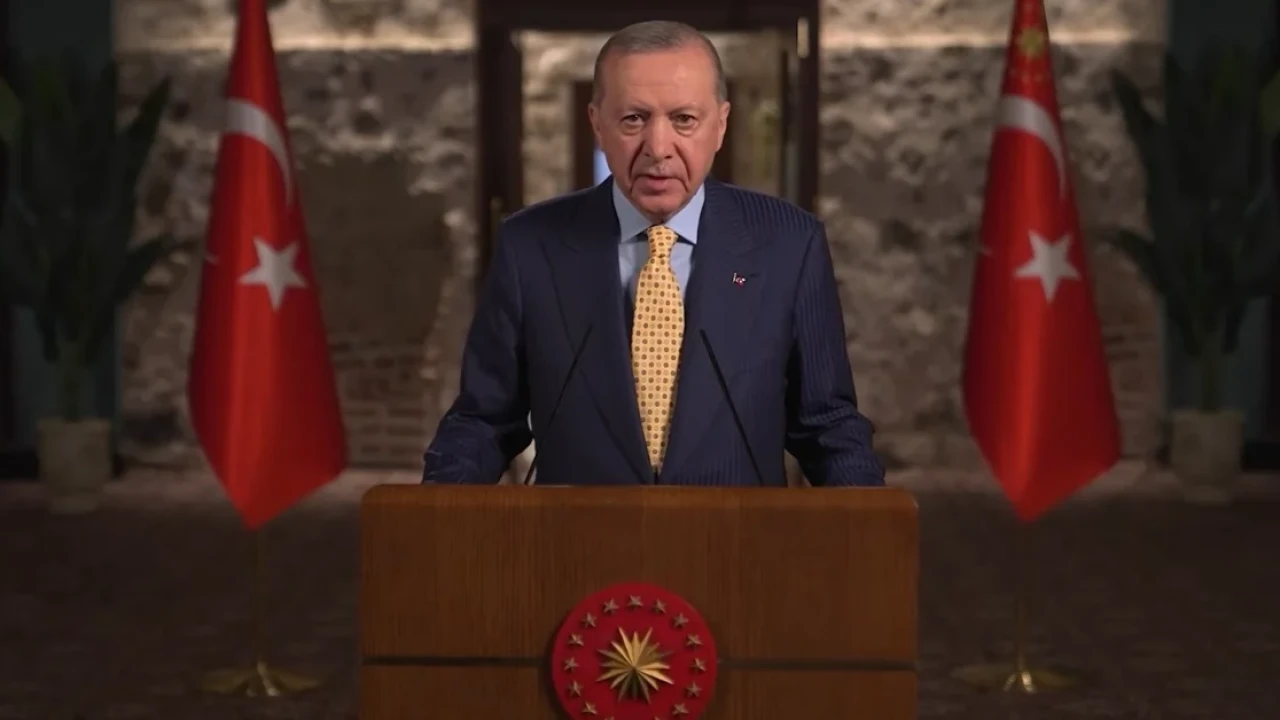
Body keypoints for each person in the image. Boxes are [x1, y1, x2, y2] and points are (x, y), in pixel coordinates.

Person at [423, 20, 884, 487]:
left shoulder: (789, 244)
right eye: (633, 119)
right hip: (575, 531)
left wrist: (867, 517)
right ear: (597, 124)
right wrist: (434, 510)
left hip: (735, 531)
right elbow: (482, 422)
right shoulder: (529, 246)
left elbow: (828, 426)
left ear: (721, 125)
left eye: (684, 119)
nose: (658, 148)